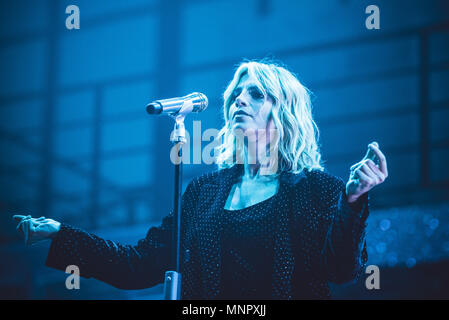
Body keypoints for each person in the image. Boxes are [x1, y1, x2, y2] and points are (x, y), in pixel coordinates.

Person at [13, 60, 388, 299]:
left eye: (255, 94)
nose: (239, 99)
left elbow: (341, 271)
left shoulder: (319, 190)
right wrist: (60, 233)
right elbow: (140, 264)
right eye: (235, 94)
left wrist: (352, 202)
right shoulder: (203, 193)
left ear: (284, 110)